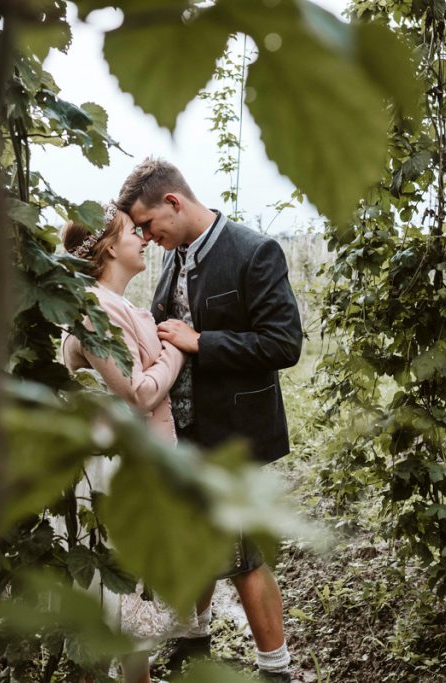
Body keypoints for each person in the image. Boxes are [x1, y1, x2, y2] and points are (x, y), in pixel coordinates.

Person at [116, 158, 303, 683]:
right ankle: (195, 643)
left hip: (234, 439)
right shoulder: (174, 260)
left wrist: (202, 343)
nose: (147, 238)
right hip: (186, 436)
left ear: (173, 203)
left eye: (149, 225)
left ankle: (275, 669)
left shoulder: (253, 252)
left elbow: (284, 343)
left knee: (242, 556)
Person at [57, 202, 188, 683]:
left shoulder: (116, 305)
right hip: (114, 469)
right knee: (113, 596)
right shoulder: (93, 309)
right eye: (135, 231)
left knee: (129, 600)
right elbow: (138, 392)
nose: (144, 237)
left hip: (137, 461)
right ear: (110, 245)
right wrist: (177, 348)